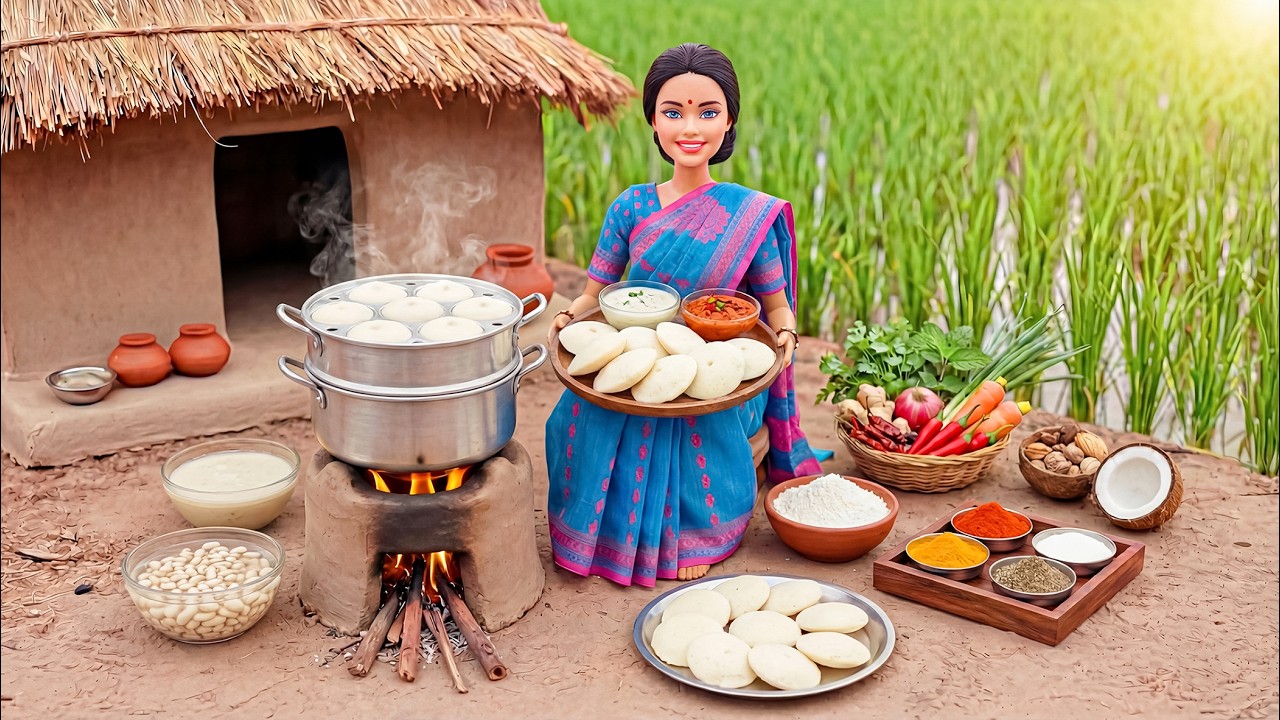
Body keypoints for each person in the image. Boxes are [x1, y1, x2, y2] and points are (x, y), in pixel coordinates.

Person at [545, 43, 823, 587]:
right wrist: (569, 315)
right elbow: (596, 291)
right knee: (575, 416)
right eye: (673, 112)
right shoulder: (630, 206)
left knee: (696, 419)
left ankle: (696, 534)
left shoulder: (747, 215)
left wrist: (787, 331)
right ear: (653, 120)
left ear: (729, 121)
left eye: (707, 112)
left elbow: (774, 306)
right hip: (634, 349)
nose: (690, 128)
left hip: (714, 360)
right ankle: (599, 537)